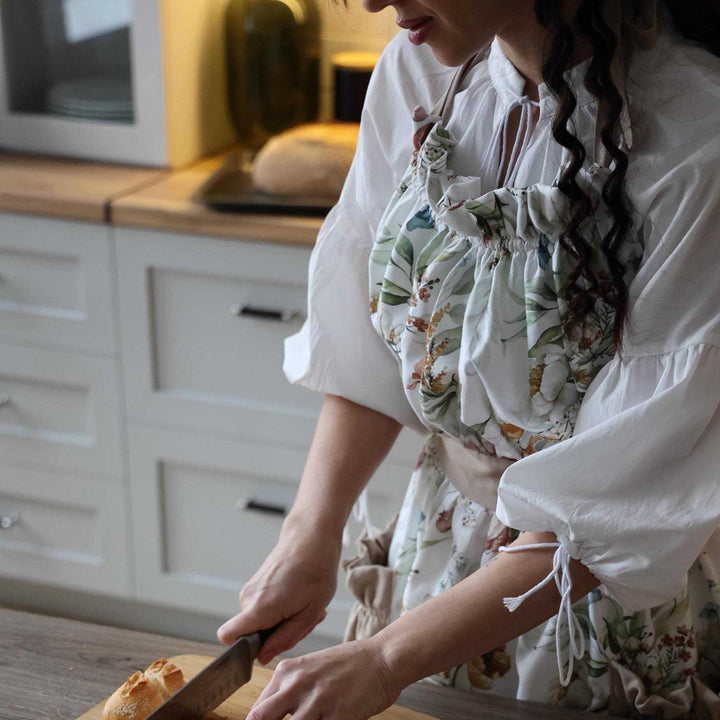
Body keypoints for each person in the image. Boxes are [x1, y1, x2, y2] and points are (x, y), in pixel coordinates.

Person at [218, 0, 720, 716]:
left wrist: (387, 658)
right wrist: (310, 532)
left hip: (605, 599)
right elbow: (368, 342)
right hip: (438, 554)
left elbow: (619, 494)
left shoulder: (696, 137)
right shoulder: (416, 73)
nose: (368, 1)